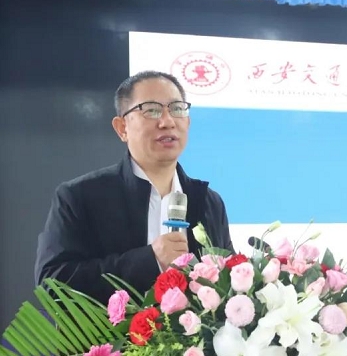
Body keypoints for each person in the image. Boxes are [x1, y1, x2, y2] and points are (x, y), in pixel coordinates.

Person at [34, 70, 234, 305]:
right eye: (152, 110)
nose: (167, 121)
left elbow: (228, 286)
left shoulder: (209, 202)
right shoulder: (80, 197)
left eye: (177, 109)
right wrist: (150, 260)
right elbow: (52, 283)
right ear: (122, 128)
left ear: (188, 122)